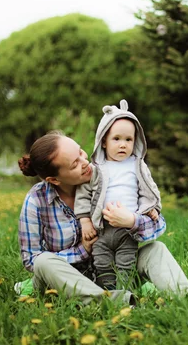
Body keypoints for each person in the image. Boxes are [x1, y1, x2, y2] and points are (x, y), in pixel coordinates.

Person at [17, 130, 188, 306]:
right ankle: (112, 302)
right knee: (44, 262)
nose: (85, 162)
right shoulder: (37, 201)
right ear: (53, 179)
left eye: (82, 153)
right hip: (69, 279)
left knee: (155, 249)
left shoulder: (108, 178)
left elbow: (157, 224)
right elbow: (31, 259)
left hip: (116, 265)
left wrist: (132, 221)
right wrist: (83, 250)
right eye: (74, 164)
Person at [75, 99, 160, 290]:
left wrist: (150, 208)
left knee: (126, 263)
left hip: (127, 230)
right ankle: (108, 293)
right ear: (103, 141)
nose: (123, 145)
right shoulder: (97, 169)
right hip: (101, 229)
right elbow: (83, 194)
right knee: (102, 263)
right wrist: (85, 221)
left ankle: (125, 295)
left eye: (128, 140)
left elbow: (147, 190)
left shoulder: (136, 165)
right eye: (117, 139)